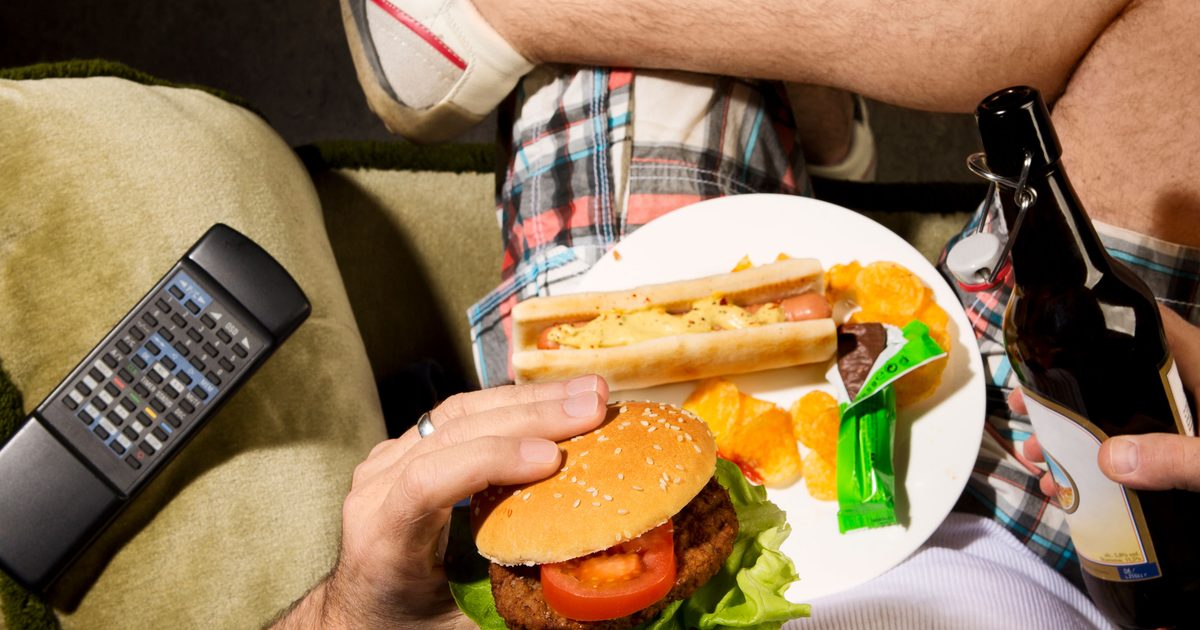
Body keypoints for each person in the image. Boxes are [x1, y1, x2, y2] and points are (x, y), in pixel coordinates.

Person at [279, 0, 1198, 625]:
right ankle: (802, 85)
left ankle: (501, 19)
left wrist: (347, 616)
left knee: (638, 61)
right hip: (1096, 543)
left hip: (631, 512)